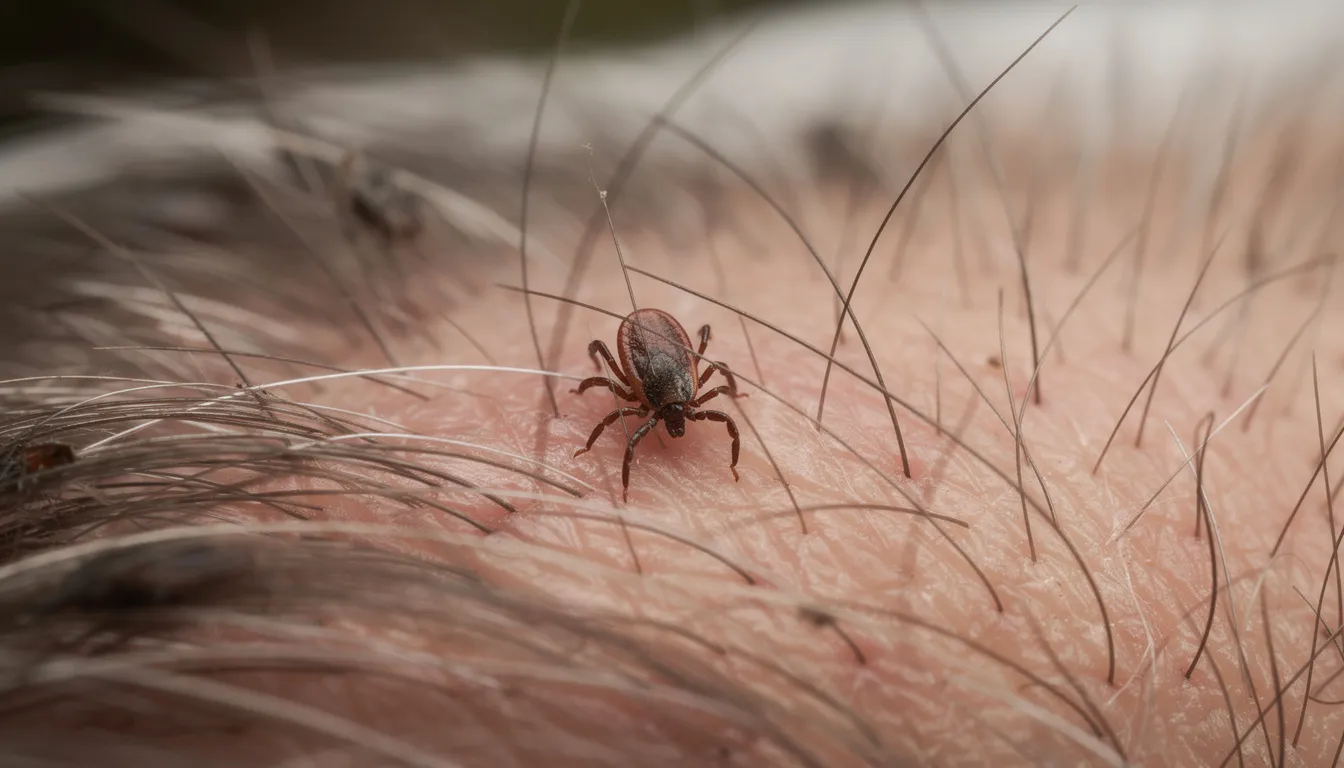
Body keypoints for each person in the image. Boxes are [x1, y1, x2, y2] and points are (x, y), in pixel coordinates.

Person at [1, 2, 1342, 764]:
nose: (677, 418)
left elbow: (660, 379)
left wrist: (672, 406)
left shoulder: (674, 394)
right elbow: (635, 383)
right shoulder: (642, 393)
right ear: (655, 389)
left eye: (681, 404)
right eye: (669, 406)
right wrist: (641, 410)